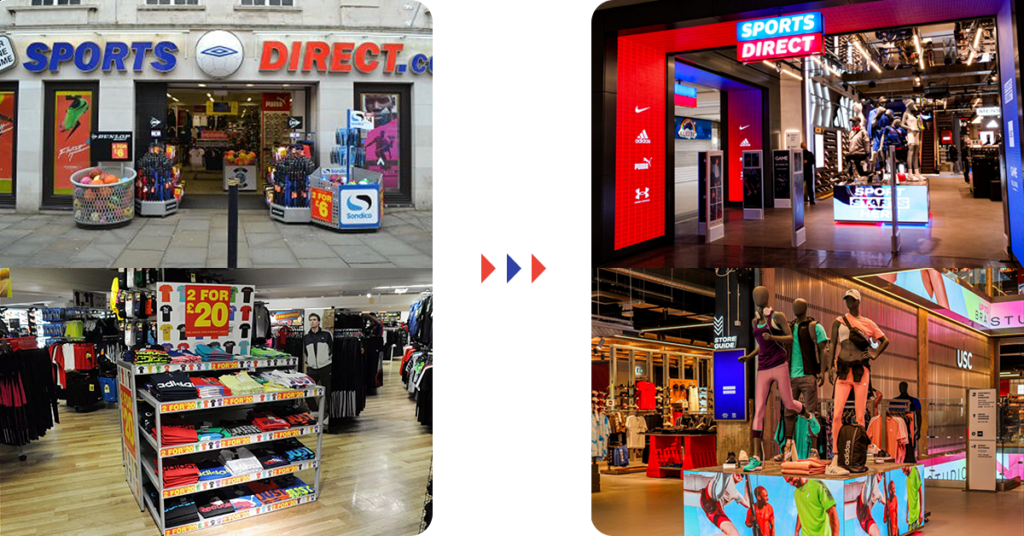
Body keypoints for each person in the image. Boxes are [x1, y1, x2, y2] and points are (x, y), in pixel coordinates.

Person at [740, 286, 815, 472]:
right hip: (763, 367)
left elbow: (790, 338)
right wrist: (749, 357)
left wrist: (773, 336)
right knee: (758, 410)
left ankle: (808, 415)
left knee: (789, 403)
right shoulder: (754, 321)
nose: (757, 298)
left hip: (780, 364)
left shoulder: (777, 316)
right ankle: (756, 457)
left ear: (767, 297)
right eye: (755, 295)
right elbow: (761, 345)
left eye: (760, 295)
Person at [303, 312, 334, 413]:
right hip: (312, 368)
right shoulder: (306, 337)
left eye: (314, 320)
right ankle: (314, 410)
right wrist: (309, 361)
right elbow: (305, 351)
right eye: (310, 320)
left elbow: (332, 348)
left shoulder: (326, 334)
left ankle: (330, 412)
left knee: (329, 391)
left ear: (318, 322)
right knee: (307, 390)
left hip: (326, 366)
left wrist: (327, 359)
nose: (312, 322)